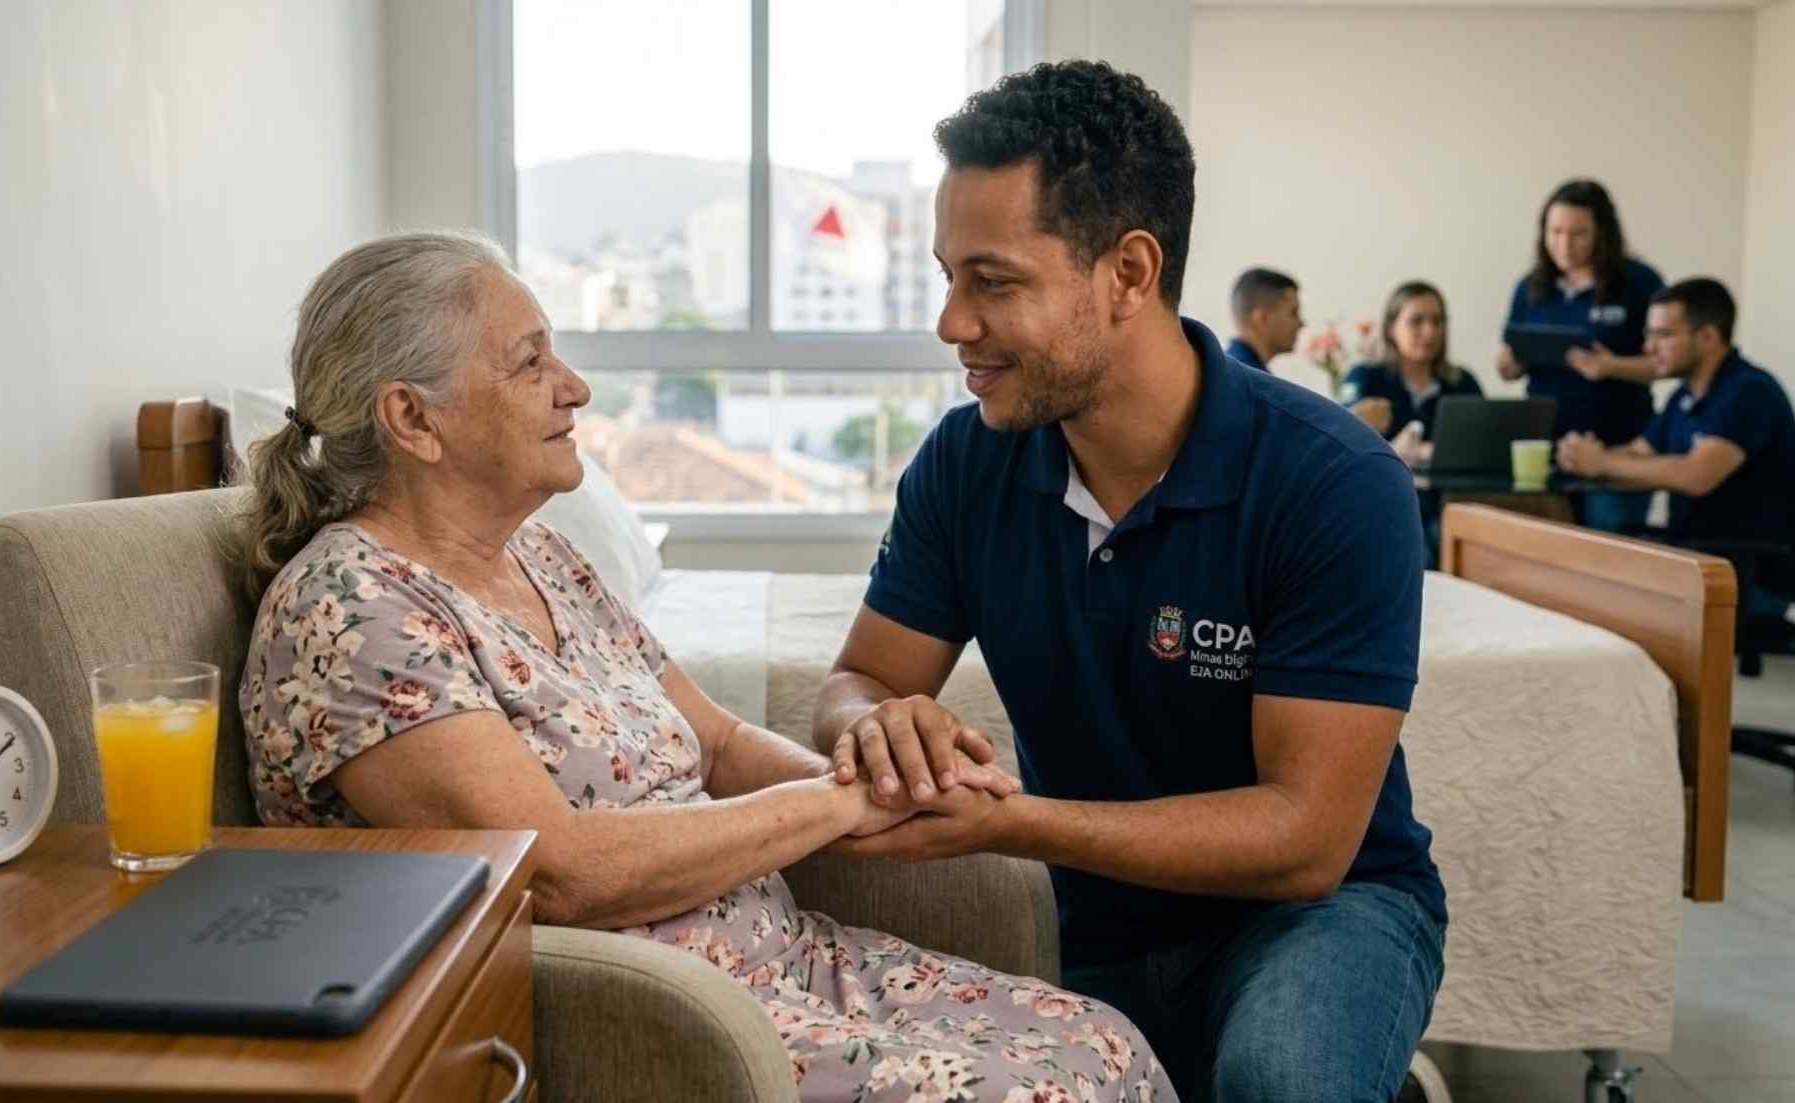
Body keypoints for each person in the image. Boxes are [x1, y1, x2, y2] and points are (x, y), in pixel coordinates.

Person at [232, 231, 1177, 1103]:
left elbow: (716, 740)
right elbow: (553, 873)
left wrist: (884, 777)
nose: (574, 387)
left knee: (1106, 1044)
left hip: (785, 957)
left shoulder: (544, 559)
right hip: (666, 1010)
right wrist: (839, 804)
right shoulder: (352, 608)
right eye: (530, 362)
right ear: (411, 417)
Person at [812, 62, 1444, 1103]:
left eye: (994, 280)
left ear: (1129, 272)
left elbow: (1304, 840)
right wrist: (876, 722)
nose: (952, 323)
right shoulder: (967, 463)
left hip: (1316, 911)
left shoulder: (1333, 482)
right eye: (946, 277)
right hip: (1088, 917)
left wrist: (1015, 820)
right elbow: (856, 680)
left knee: (1281, 1077)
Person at [1557, 277, 1795, 627]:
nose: (1648, 347)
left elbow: (1696, 475)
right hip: (1695, 563)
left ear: (1708, 338)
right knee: (1573, 579)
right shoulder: (1684, 397)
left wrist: (1603, 463)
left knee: (1591, 601)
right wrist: (1585, 455)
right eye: (1649, 334)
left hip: (1746, 578)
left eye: (1663, 335)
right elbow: (1638, 452)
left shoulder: (1749, 391)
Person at [1495, 179, 1664, 532]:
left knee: (1608, 552)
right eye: (1555, 232)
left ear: (1603, 233)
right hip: (1545, 449)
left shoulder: (1639, 283)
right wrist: (1509, 365)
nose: (1564, 245)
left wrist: (1611, 366)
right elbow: (1510, 362)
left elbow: (1664, 363)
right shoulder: (1531, 287)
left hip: (1617, 448)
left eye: (1578, 234)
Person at [1342, 280, 1483, 468]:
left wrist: (1434, 453)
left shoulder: (1462, 382)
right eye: (1416, 321)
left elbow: (1484, 445)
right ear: (1391, 328)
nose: (1429, 332)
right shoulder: (1364, 377)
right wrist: (1394, 451)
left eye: (1437, 321)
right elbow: (1342, 444)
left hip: (1450, 494)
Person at [1224, 268, 1301, 373]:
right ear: (1261, 318)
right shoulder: (1247, 382)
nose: (1301, 323)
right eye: (1293, 313)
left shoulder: (1228, 371)